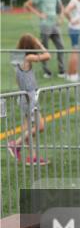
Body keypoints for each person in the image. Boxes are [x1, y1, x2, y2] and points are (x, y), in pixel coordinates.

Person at [7, 35, 51, 166]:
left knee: (29, 128)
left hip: (23, 96)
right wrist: (40, 45)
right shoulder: (28, 57)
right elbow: (48, 56)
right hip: (30, 97)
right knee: (40, 126)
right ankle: (16, 144)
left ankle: (32, 157)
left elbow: (17, 78)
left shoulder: (17, 59)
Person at [24, 0, 65, 77]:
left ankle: (62, 70)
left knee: (61, 47)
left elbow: (61, 7)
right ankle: (47, 72)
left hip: (54, 25)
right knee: (44, 49)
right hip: (45, 25)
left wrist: (61, 18)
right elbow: (27, 4)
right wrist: (39, 14)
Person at [61, 0, 80, 82]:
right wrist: (71, 20)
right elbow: (66, 11)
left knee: (76, 51)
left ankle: (70, 73)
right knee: (75, 52)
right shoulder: (74, 1)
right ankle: (73, 74)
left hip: (79, 29)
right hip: (75, 30)